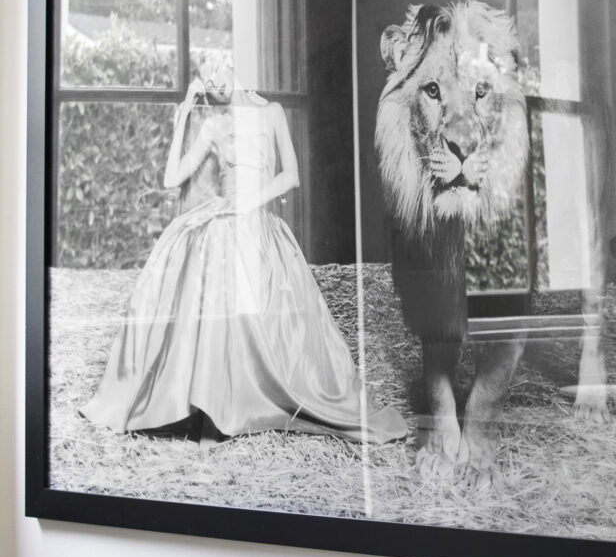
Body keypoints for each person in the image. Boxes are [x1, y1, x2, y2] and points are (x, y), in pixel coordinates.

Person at [83, 68, 405, 443]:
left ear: (237, 67)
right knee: (208, 244)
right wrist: (185, 113)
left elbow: (292, 176)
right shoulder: (215, 126)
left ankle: (238, 404)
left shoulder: (272, 112)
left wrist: (250, 202)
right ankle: (206, 409)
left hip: (258, 222)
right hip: (225, 218)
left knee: (233, 251)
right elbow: (172, 179)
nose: (215, 80)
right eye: (208, 74)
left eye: (222, 69)